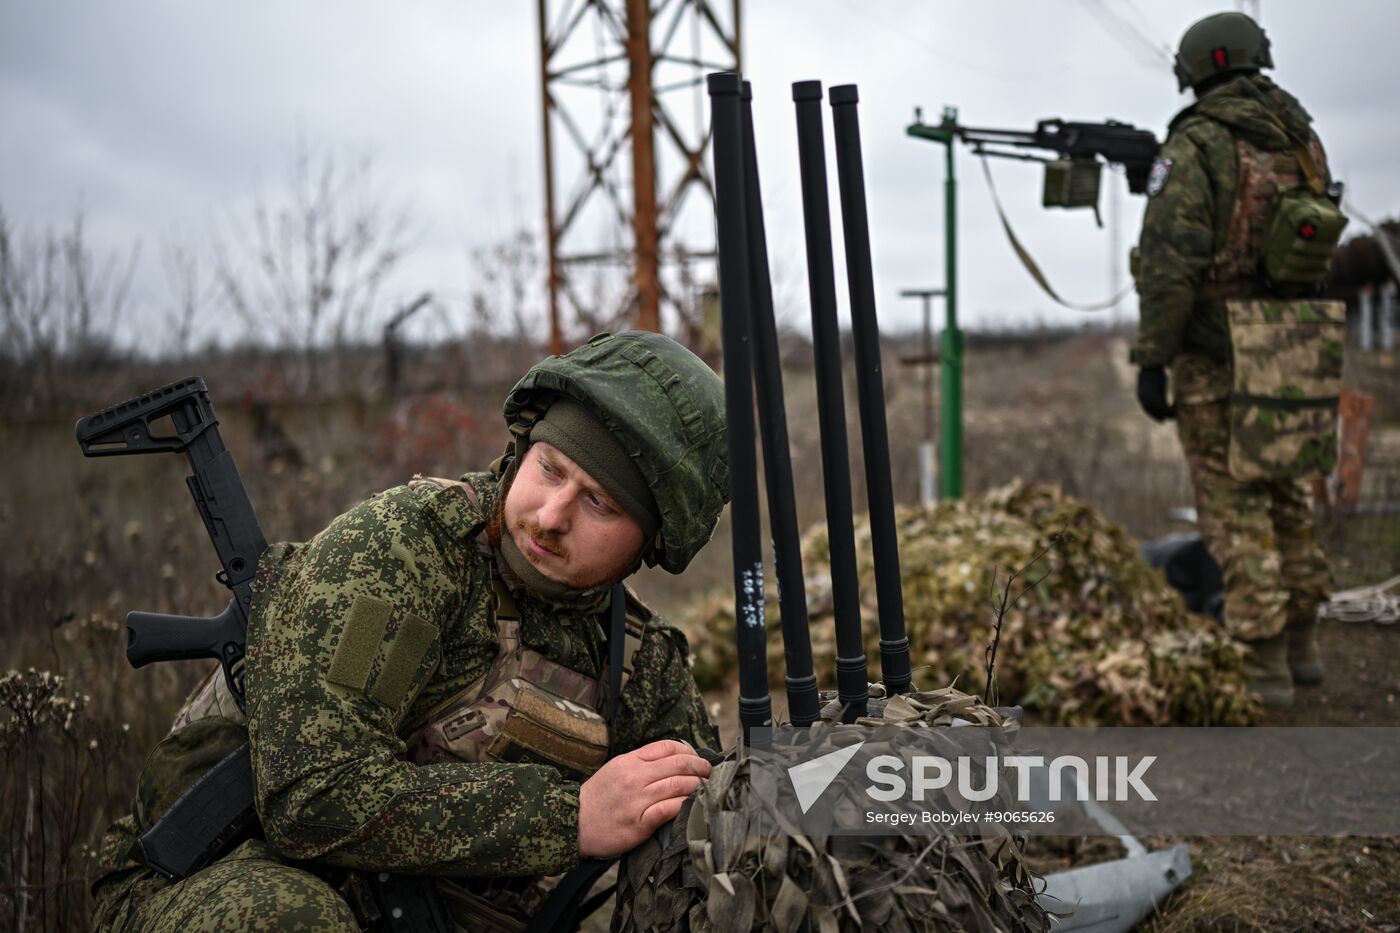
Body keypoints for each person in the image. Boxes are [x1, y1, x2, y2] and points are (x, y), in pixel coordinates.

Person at [92, 331, 730, 930]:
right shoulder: (405, 554)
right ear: (523, 448)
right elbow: (310, 796)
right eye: (551, 469)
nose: (551, 515)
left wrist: (817, 777)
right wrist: (572, 817)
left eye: (601, 504)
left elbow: (721, 808)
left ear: (649, 541)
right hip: (205, 880)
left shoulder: (636, 658)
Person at [1131, 11, 1341, 709]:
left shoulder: (1199, 142)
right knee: (1289, 499)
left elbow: (1170, 261)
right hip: (1297, 343)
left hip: (1219, 353)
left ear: (1195, 70)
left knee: (1234, 509)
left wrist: (1153, 359)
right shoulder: (1303, 139)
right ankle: (1305, 647)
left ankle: (1263, 663)